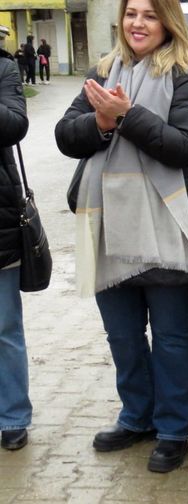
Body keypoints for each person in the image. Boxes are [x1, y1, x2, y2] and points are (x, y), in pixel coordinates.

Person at [54, 0, 188, 473]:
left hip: (167, 222)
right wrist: (101, 122)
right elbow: (66, 135)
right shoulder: (105, 70)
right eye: (131, 14)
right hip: (108, 223)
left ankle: (172, 429)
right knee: (123, 335)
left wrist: (126, 117)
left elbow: (186, 147)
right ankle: (137, 416)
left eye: (149, 14)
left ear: (168, 21)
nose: (138, 23)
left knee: (170, 337)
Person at [0, 41, 31, 452]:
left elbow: (14, 125)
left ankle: (12, 416)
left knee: (4, 326)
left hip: (0, 218)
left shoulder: (4, 69)